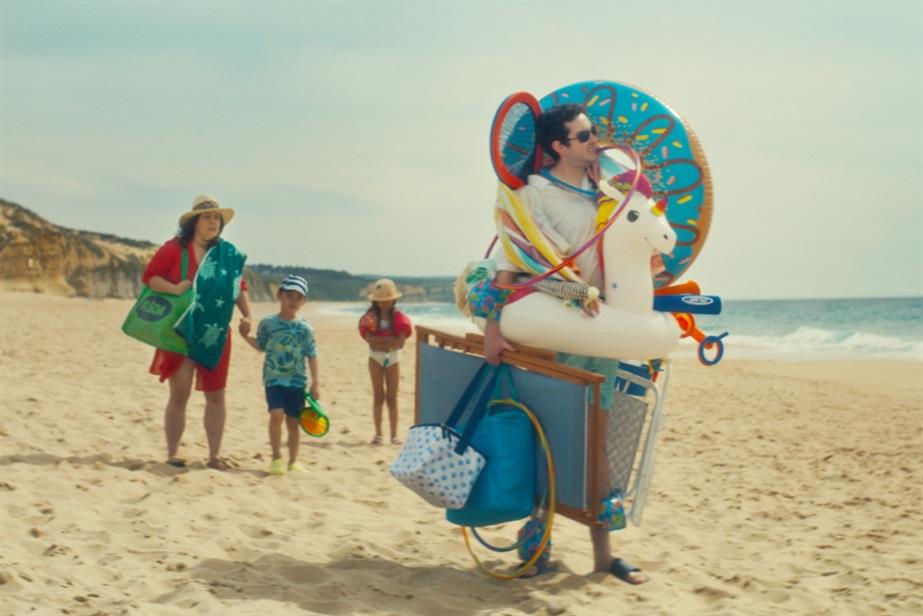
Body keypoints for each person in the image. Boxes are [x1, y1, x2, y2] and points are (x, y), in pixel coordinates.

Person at [482, 104, 649, 584]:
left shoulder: (605, 192)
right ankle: (536, 549)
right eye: (584, 136)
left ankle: (603, 555)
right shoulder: (533, 194)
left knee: (599, 439)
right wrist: (494, 327)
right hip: (553, 327)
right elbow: (513, 259)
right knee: (550, 438)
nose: (595, 141)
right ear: (558, 146)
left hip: (602, 330)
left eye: (594, 134)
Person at [142, 195, 251, 471]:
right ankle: (173, 453)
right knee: (179, 395)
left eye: (217, 218)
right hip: (179, 330)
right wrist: (174, 288)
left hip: (214, 332)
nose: (213, 222)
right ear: (195, 222)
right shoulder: (174, 250)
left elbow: (238, 287)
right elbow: (151, 277)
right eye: (208, 217)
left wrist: (247, 315)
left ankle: (214, 456)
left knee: (216, 395)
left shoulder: (228, 254)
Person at [240, 274, 319, 476]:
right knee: (276, 415)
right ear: (279, 296)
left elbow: (312, 354)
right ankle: (276, 458)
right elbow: (262, 345)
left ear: (304, 301)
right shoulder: (268, 323)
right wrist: (245, 336)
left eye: (297, 297)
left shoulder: (305, 328)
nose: (292, 301)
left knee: (293, 422)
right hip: (273, 379)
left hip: (297, 381)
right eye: (288, 296)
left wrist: (316, 382)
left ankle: (293, 461)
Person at [358, 278, 413, 446]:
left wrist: (380, 341)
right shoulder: (369, 318)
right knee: (378, 396)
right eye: (380, 301)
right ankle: (378, 434)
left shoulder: (399, 318)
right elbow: (370, 340)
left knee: (392, 397)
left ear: (393, 300)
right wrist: (390, 340)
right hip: (375, 357)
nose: (383, 304)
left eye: (386, 300)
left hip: (393, 359)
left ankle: (394, 435)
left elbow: (400, 342)